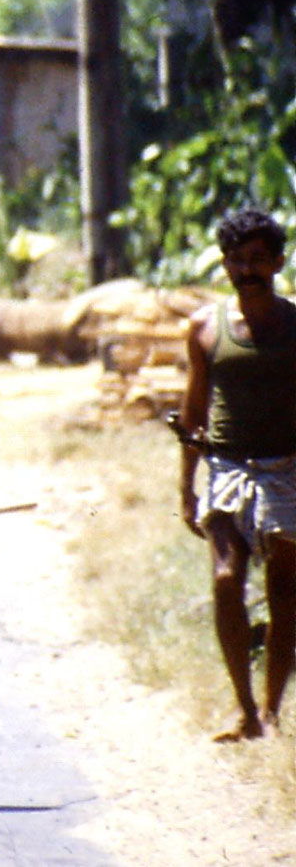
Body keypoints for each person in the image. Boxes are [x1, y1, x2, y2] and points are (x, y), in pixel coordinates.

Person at [176, 206, 296, 742]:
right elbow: (193, 411)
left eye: (258, 260)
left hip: (285, 470)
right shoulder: (204, 328)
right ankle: (244, 709)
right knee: (226, 581)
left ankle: (271, 710)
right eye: (238, 260)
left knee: (284, 591)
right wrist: (185, 485)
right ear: (224, 265)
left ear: (277, 262)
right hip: (224, 467)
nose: (248, 270)